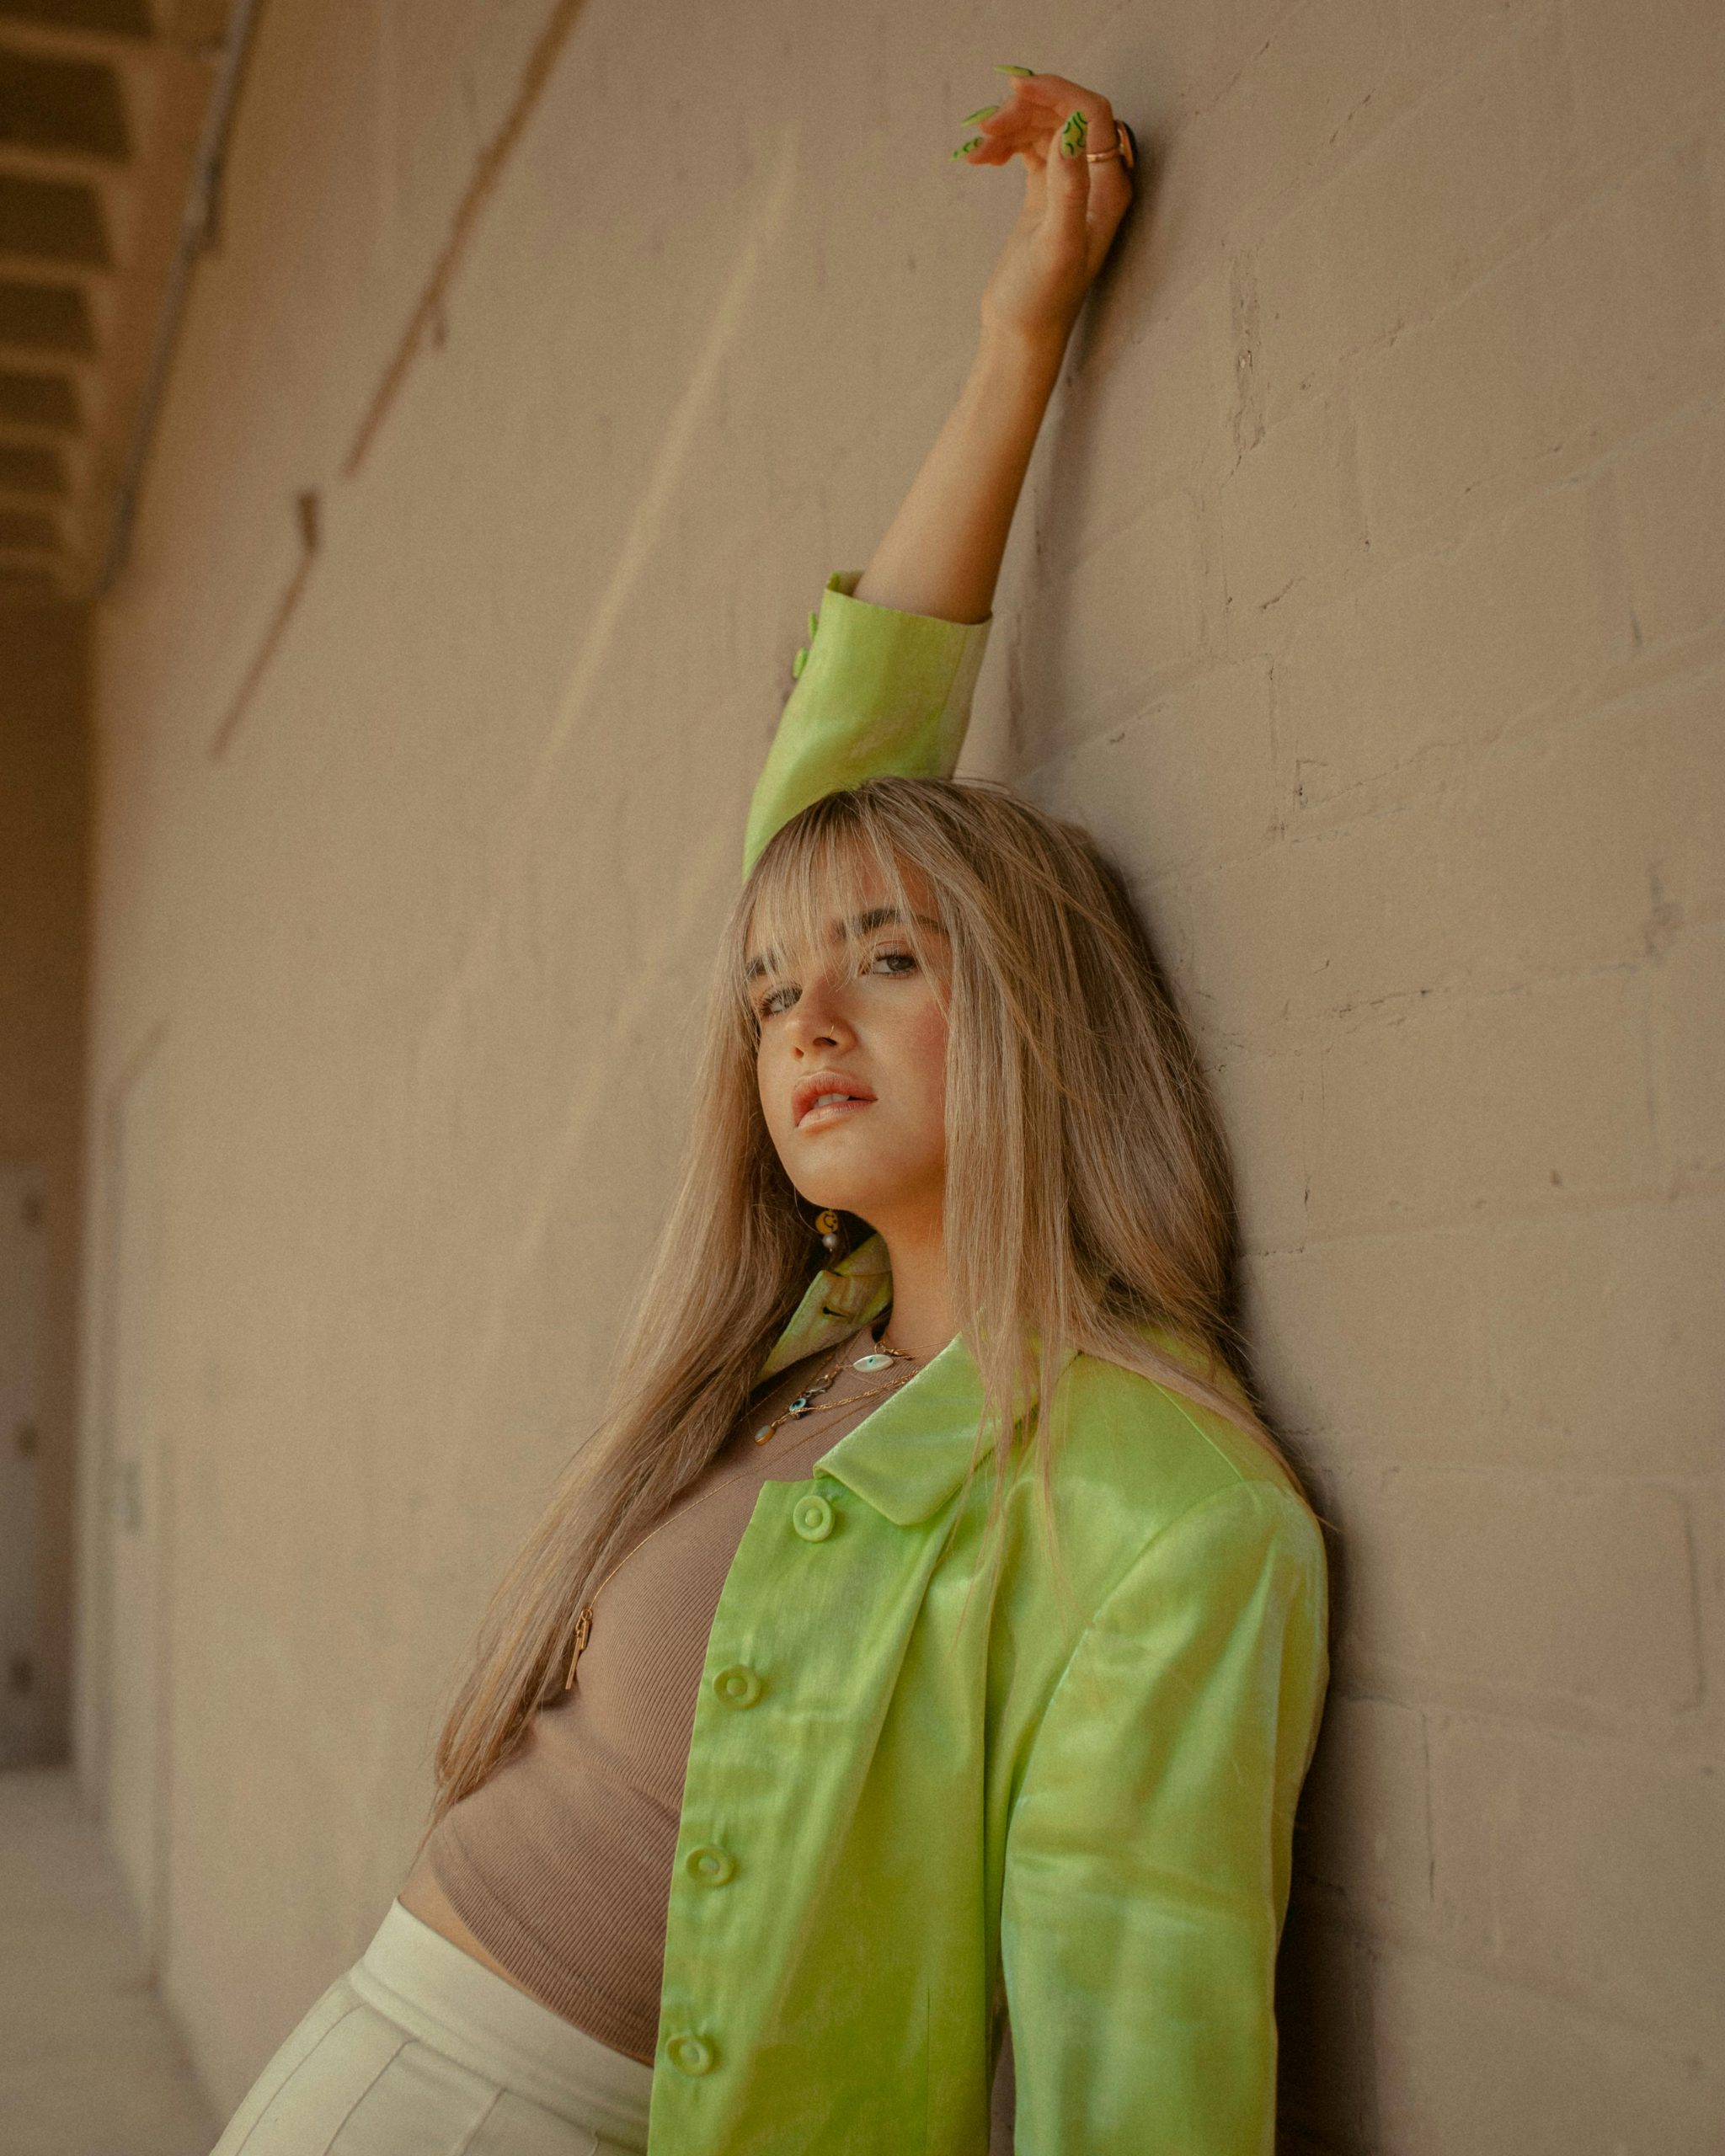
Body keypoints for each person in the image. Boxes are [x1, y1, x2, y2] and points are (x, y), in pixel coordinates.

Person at [209, 66, 1329, 2156]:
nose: (800, 1020)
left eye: (890, 964)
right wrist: (1010, 347)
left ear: (1037, 1018)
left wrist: (1031, 335)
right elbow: (815, 839)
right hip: (369, 2036)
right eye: (763, 994)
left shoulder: (1160, 1508)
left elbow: (1135, 2060)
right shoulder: (810, 1347)